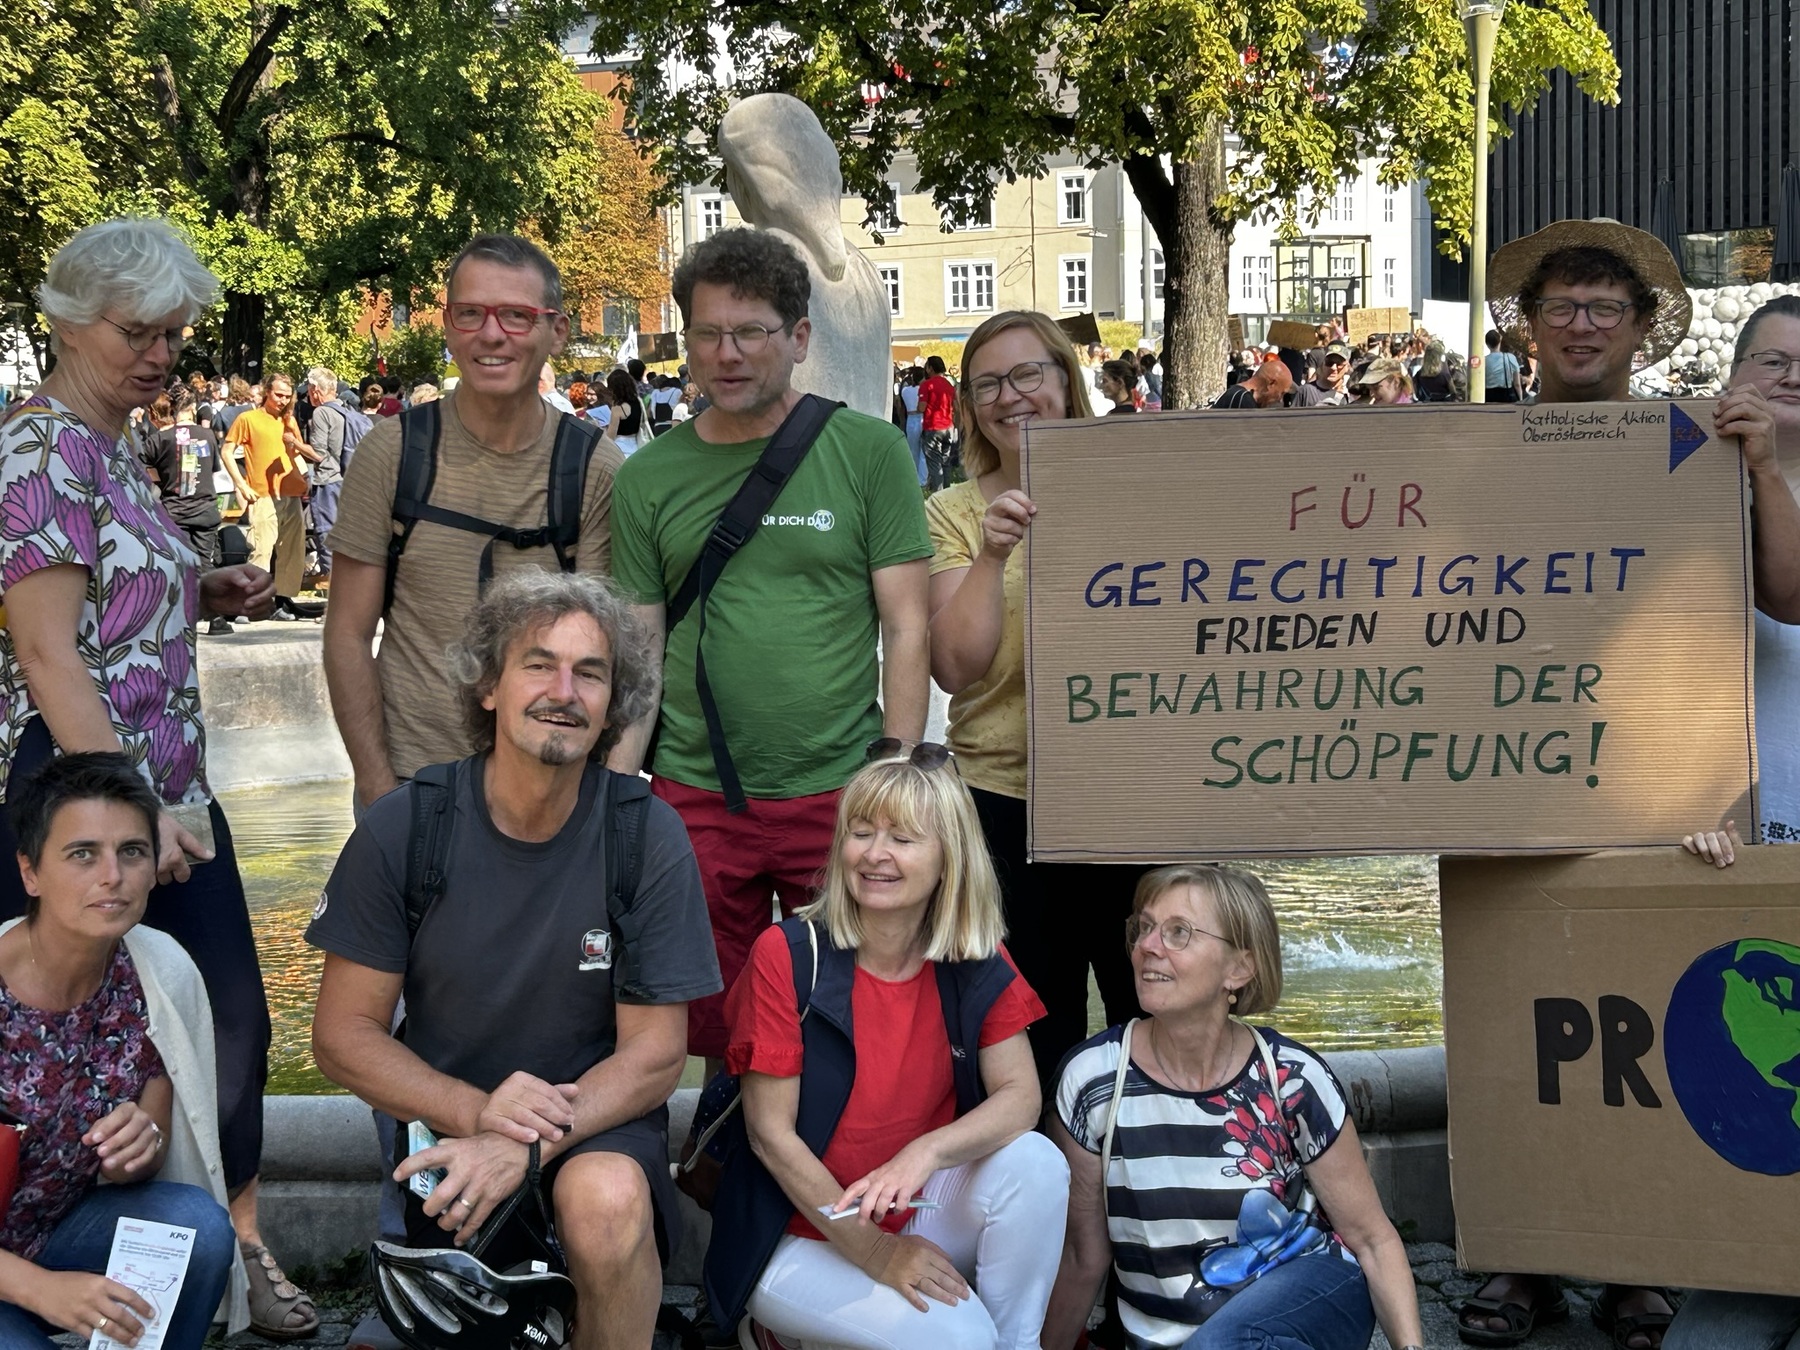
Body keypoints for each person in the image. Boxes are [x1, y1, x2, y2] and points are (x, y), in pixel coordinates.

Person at [0, 216, 312, 1340]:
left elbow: (109, 601)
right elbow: (47, 655)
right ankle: (55, 1278)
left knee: (222, 1027)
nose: (161, 354)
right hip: (84, 790)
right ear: (68, 322)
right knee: (105, 1034)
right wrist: (129, 815)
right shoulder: (39, 449)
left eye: (174, 334)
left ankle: (229, 1249)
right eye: (137, 331)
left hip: (164, 784)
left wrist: (197, 590)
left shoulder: (109, 444)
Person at [309, 570, 721, 1350]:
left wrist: (524, 1145)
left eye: (590, 673)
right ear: (489, 686)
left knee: (605, 1201)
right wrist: (477, 1117)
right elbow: (342, 1035)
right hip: (450, 1124)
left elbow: (657, 1056)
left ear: (613, 705)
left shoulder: (646, 834)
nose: (564, 691)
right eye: (539, 665)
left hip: (595, 1122)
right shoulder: (407, 828)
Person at [606, 226, 931, 1070]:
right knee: (713, 1024)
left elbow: (906, 624)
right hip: (696, 791)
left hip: (841, 787)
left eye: (751, 331)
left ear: (800, 337)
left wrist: (894, 774)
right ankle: (737, 1147)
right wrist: (614, 790)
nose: (728, 354)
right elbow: (640, 644)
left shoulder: (868, 452)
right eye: (708, 333)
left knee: (858, 1005)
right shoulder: (648, 477)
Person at [1465, 217, 1699, 1350]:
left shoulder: (1690, 447)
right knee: (1508, 1016)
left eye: (1606, 308)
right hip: (1499, 770)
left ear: (1642, 329)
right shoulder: (1472, 450)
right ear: (1530, 327)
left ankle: (1638, 1261)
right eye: (1562, 306)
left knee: (1645, 1021)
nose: (1583, 325)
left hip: (1646, 768)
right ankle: (1519, 1257)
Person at [708, 750, 1069, 1350]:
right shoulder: (789, 953)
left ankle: (1016, 1342)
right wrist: (879, 1253)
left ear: (949, 858)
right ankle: (776, 1329)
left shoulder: (973, 953)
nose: (875, 854)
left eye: (902, 838)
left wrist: (926, 1152)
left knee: (1037, 1163)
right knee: (961, 1342)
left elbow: (1021, 1098)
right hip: (799, 1229)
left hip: (918, 1202)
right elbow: (771, 1137)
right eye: (860, 832)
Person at [1044, 865, 1425, 1350]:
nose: (1148, 946)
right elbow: (1083, 1255)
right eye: (1144, 927)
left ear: (1239, 969)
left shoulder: (1291, 1077)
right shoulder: (1093, 1082)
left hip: (1311, 1291)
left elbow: (1372, 1239)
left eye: (1178, 932)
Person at [322, 233, 626, 812]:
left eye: (516, 315)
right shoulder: (392, 454)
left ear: (557, 331)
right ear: (447, 325)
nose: (491, 334)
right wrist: (379, 791)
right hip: (411, 782)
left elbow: (601, 656)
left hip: (547, 794)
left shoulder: (594, 469)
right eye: (470, 313)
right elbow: (347, 634)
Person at [924, 310, 1141, 1090]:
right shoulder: (953, 512)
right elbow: (955, 666)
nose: (1010, 396)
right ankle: (1050, 1168)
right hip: (1006, 800)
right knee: (1032, 1034)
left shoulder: (1140, 482)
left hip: (1138, 796)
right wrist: (992, 553)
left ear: (1064, 378)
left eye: (1026, 374)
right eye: (987, 384)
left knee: (1156, 1013)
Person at [0, 753, 247, 1347]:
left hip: (61, 1236)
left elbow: (148, 1154)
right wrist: (42, 1289)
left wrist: (138, 1148)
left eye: (132, 851)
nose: (112, 875)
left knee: (195, 1227)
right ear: (30, 872)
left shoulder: (157, 972)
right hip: (22, 1276)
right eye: (83, 854)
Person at [223, 371, 315, 620]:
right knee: (261, 549)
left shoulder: (289, 421)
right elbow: (227, 451)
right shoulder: (248, 418)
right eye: (278, 394)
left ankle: (282, 602)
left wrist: (304, 477)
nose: (283, 400)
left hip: (290, 492)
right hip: (262, 493)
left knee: (292, 549)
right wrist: (241, 484)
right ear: (267, 392)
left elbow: (295, 453)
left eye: (287, 396)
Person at [142, 391, 230, 634]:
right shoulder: (207, 435)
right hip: (204, 508)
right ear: (192, 409)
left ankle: (176, 616)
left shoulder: (160, 438)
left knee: (175, 564)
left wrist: (161, 479)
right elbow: (212, 470)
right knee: (204, 563)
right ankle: (216, 618)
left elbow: (139, 465)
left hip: (174, 511)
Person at [303, 366, 351, 584]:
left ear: (315, 390)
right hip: (347, 480)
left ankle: (335, 587)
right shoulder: (347, 411)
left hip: (327, 481)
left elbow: (319, 454)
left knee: (326, 532)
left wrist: (294, 443)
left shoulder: (321, 412)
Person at [918, 355, 957, 490]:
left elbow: (921, 407)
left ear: (930, 368)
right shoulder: (949, 385)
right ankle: (947, 492)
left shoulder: (926, 385)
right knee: (945, 463)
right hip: (948, 426)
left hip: (933, 426)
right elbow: (955, 406)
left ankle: (938, 494)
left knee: (934, 463)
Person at [1212, 358, 1290, 409]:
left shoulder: (1238, 394)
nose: (1280, 399)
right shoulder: (1242, 400)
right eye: (1281, 393)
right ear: (1271, 383)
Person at [608, 368, 645, 454]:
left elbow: (611, 436)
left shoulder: (617, 409)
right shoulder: (638, 402)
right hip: (637, 445)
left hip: (621, 447)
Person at [900, 366, 926, 484]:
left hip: (910, 418)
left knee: (912, 448)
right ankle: (923, 478)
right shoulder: (923, 389)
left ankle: (913, 474)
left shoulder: (905, 391)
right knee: (923, 450)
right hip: (921, 417)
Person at [1482, 330, 1523, 402]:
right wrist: (1520, 399)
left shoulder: (1483, 361)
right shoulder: (1510, 357)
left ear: (1487, 344)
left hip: (1489, 396)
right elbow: (1517, 384)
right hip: (1506, 395)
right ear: (1500, 341)